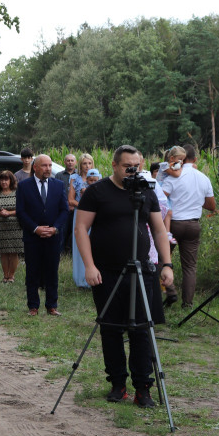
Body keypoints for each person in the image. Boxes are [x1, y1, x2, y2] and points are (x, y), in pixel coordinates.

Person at [75, 145, 174, 408]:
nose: (133, 170)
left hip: (142, 271)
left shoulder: (146, 191)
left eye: (137, 166)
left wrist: (167, 264)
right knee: (111, 329)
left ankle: (143, 387)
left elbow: (159, 230)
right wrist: (89, 266)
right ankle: (118, 384)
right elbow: (81, 229)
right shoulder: (97, 192)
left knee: (141, 330)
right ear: (115, 166)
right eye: (128, 166)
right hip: (107, 272)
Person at [160, 144, 216, 308]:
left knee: (163, 260)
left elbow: (160, 200)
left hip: (173, 224)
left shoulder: (172, 177)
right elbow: (212, 206)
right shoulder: (203, 178)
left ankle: (170, 292)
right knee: (190, 266)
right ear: (195, 159)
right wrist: (195, 202)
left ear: (181, 159)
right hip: (192, 225)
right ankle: (188, 304)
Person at [16, 155, 69, 316]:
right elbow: (21, 211)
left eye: (50, 165)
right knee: (32, 272)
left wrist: (55, 228)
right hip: (33, 237)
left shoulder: (58, 185)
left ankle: (52, 305)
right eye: (44, 165)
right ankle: (33, 306)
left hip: (53, 237)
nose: (48, 169)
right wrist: (35, 228)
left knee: (52, 271)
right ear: (35, 167)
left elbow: (64, 210)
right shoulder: (24, 186)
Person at [0, 170, 21, 284]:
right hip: (2, 227)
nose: (4, 182)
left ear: (11, 180)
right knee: (3, 252)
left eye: (6, 179)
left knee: (13, 252)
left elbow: (22, 210)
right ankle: (5, 275)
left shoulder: (18, 193)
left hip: (16, 227)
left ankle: (11, 276)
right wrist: (0, 213)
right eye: (2, 179)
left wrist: (10, 213)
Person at [68, 155, 96, 289]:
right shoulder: (75, 178)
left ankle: (95, 276)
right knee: (81, 245)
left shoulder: (97, 178)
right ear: (80, 165)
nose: (87, 166)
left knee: (94, 244)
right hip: (80, 214)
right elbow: (71, 200)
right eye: (84, 163)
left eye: (89, 163)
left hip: (95, 216)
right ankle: (81, 279)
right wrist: (84, 205)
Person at [56, 154, 78, 253]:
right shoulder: (59, 175)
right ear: (64, 162)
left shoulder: (79, 175)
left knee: (75, 232)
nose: (70, 162)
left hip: (77, 208)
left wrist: (74, 204)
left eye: (72, 160)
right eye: (68, 160)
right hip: (63, 209)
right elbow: (56, 192)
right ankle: (61, 253)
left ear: (76, 162)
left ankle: (72, 253)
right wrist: (66, 205)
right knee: (63, 231)